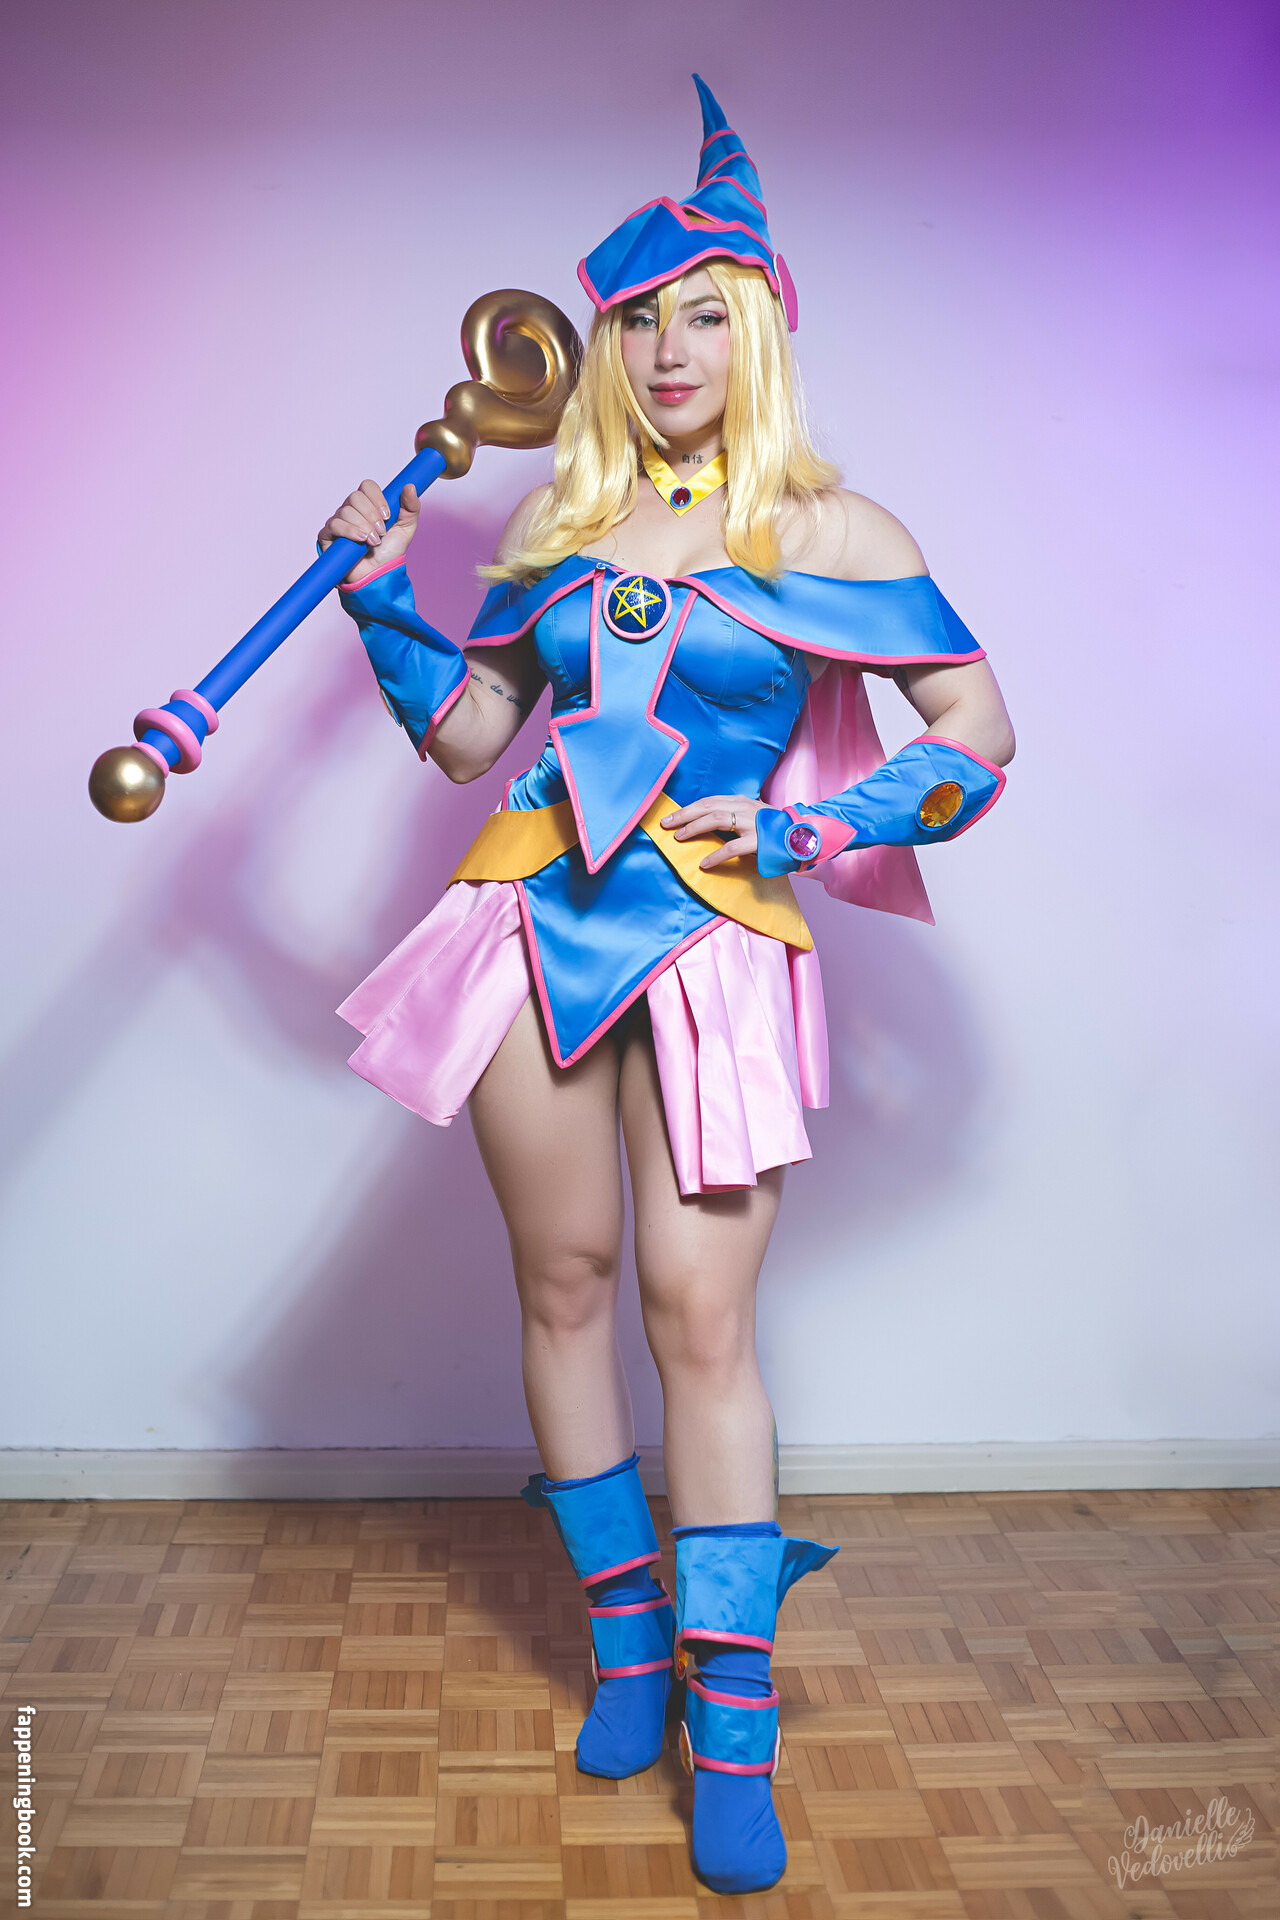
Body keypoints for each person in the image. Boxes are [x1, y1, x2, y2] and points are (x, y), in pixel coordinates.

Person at [319, 76, 1014, 1897]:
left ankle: (736, 1724)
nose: (669, 349)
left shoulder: (835, 534)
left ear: (759, 328)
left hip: (716, 941)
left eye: (703, 314)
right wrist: (382, 605)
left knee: (700, 1320)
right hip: (531, 925)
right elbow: (474, 738)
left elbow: (977, 735)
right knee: (562, 1283)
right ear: (605, 350)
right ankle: (628, 1653)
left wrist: (812, 827)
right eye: (638, 322)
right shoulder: (558, 534)